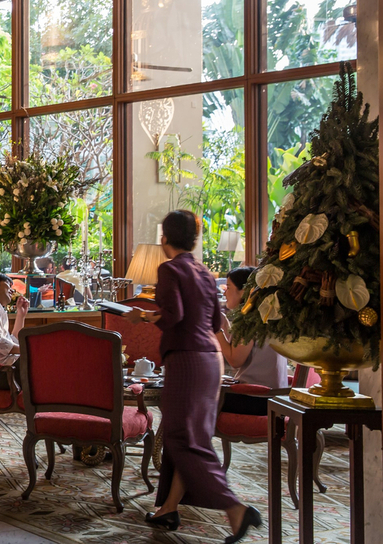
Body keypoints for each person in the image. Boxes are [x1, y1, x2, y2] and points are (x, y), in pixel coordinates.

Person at [131, 211, 260, 541]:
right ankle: (169, 508)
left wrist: (145, 317)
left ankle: (234, 507)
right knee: (194, 438)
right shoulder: (204, 272)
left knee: (179, 438)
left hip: (186, 359)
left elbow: (173, 315)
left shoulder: (170, 269)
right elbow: (216, 321)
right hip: (212, 361)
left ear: (164, 239)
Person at [215, 266, 288, 414]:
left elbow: (235, 360)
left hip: (255, 398)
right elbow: (241, 348)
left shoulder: (248, 320)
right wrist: (224, 325)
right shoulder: (266, 316)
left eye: (228, 287)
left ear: (244, 291)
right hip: (276, 399)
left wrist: (216, 331)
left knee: (199, 397)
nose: (224, 292)